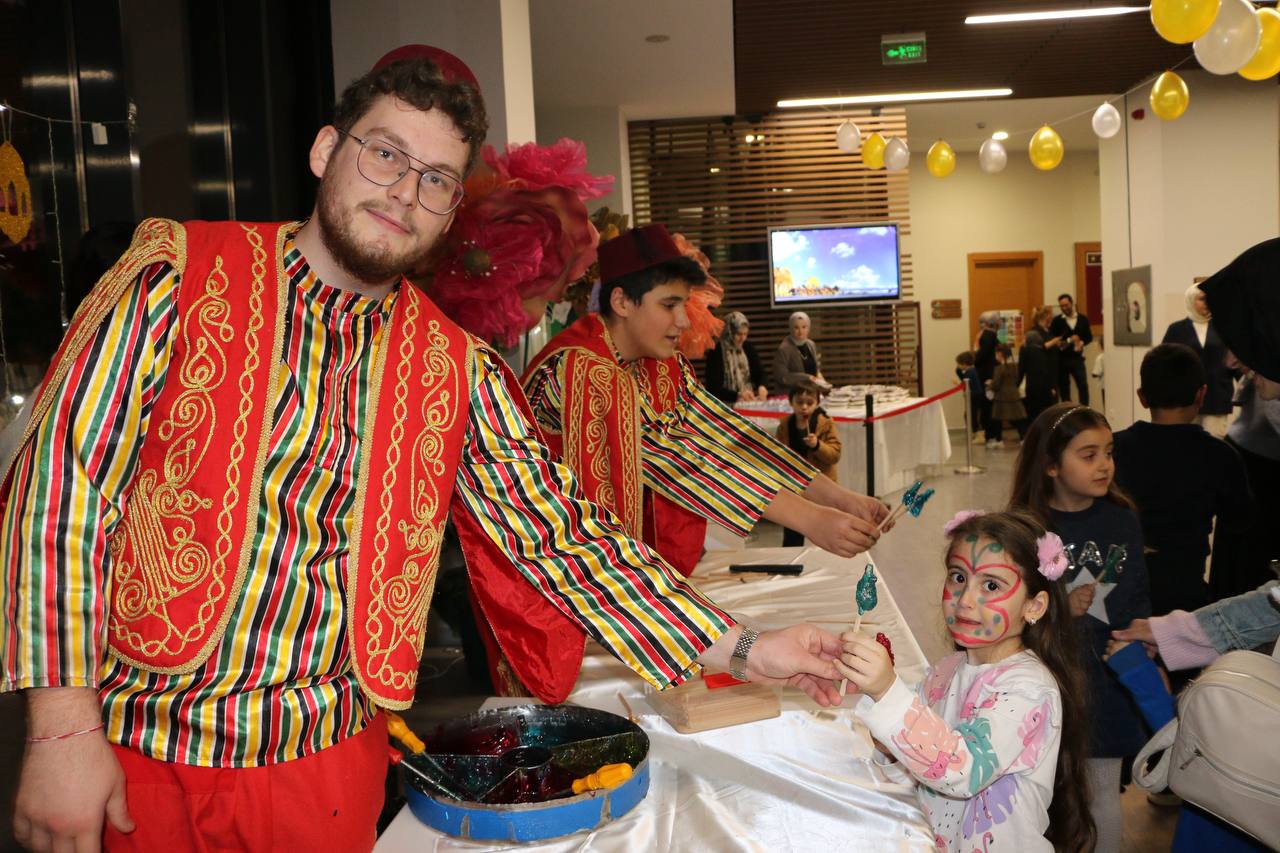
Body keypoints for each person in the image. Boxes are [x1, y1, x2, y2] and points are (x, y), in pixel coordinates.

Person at [0, 47, 848, 852]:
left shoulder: (456, 367)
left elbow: (560, 536)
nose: (405, 191)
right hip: (146, 753)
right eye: (385, 155)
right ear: (327, 149)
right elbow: (57, 491)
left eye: (435, 179)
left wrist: (745, 647)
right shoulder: (176, 279)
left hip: (328, 765)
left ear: (452, 211)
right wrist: (63, 730)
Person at [520, 223, 888, 579]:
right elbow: (675, 458)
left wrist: (837, 497)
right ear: (621, 302)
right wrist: (809, 519)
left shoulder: (659, 363)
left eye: (684, 305)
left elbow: (728, 433)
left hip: (625, 568)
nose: (683, 321)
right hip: (555, 573)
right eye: (669, 305)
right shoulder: (577, 368)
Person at [837, 510, 1094, 853]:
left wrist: (888, 693)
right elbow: (920, 772)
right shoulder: (946, 672)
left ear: (1034, 606)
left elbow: (962, 769)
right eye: (958, 578)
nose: (966, 599)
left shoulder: (1029, 689)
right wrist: (888, 744)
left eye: (991, 585)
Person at [1008, 403, 1151, 853]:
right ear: (1050, 464)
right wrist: (1056, 610)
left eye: (1108, 452)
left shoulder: (1122, 519)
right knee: (1042, 795)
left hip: (1107, 684)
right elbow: (1001, 615)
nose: (1105, 464)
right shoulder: (1023, 530)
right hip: (1044, 682)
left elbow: (1136, 598)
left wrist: (1146, 650)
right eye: (1088, 455)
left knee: (1102, 793)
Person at [1112, 344, 1252, 615]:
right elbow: (1240, 521)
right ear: (1202, 394)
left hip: (1119, 592)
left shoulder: (1112, 450)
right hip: (1187, 598)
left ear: (1142, 397)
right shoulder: (1221, 455)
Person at [774, 381, 842, 546]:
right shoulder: (784, 425)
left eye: (809, 403)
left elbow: (835, 455)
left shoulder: (826, 424)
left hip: (820, 486)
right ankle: (791, 564)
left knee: (825, 531)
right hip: (794, 486)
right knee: (793, 532)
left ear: (817, 403)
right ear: (791, 403)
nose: (804, 407)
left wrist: (817, 445)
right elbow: (776, 455)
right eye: (799, 402)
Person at [1162, 283, 1234, 439]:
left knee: (1214, 444)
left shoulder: (1223, 328)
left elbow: (1234, 360)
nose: (1207, 303)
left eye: (1209, 299)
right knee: (1186, 443)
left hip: (1217, 395)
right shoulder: (1176, 329)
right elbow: (1164, 362)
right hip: (1185, 396)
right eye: (1202, 299)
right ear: (1190, 300)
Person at [704, 310, 767, 404]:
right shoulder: (716, 352)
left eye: (745, 334)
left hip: (747, 403)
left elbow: (759, 372)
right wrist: (737, 395)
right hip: (724, 406)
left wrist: (762, 386)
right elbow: (713, 387)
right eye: (739, 334)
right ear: (729, 332)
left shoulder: (747, 347)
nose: (743, 338)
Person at [1049, 293, 1092, 405]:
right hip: (1062, 359)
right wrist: (1068, 341)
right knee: (1064, 387)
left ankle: (1085, 410)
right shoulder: (1056, 321)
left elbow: (1089, 337)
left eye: (1066, 305)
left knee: (1082, 385)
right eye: (1062, 306)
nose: (1064, 308)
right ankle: (1067, 412)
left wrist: (1081, 342)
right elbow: (1053, 339)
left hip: (1077, 358)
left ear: (1071, 303)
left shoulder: (1082, 319)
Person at [1019, 306, 1059, 428]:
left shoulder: (1048, 331)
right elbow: (1042, 348)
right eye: (1050, 316)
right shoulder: (1035, 335)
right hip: (1041, 378)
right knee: (1040, 407)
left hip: (1049, 374)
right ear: (1045, 317)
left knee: (1048, 407)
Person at [772, 310, 827, 392]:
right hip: (791, 394)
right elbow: (782, 377)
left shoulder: (811, 344)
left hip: (810, 391)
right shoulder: (784, 348)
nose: (800, 331)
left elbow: (815, 368)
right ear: (791, 328)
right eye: (796, 327)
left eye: (804, 327)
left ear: (808, 328)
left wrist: (821, 379)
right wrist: (807, 378)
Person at [990, 343, 1027, 444]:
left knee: (997, 419)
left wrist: (990, 384)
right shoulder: (1015, 366)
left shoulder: (999, 368)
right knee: (1018, 418)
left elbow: (996, 384)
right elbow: (1017, 379)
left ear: (1000, 354)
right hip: (1014, 394)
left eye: (996, 353)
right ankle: (1023, 437)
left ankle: (998, 440)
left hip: (1001, 396)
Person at [974, 312, 1000, 447]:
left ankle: (991, 436)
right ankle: (993, 435)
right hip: (990, 375)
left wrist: (975, 350)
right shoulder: (992, 335)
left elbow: (980, 356)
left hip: (986, 376)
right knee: (989, 407)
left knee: (987, 408)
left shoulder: (987, 335)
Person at [955, 350, 984, 443]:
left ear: (964, 364)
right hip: (974, 395)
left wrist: (957, 384)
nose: (958, 366)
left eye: (959, 363)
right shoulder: (971, 370)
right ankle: (974, 432)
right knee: (969, 415)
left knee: (973, 415)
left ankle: (979, 435)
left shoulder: (970, 372)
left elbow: (965, 384)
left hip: (974, 396)